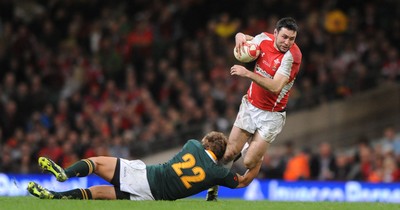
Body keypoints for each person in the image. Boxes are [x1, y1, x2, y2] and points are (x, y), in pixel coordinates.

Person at [207, 17, 302, 200]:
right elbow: (248, 38)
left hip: (272, 115)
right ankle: (213, 191)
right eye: (284, 37)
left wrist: (248, 73)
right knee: (228, 154)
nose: (287, 42)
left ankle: (254, 151)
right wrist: (239, 35)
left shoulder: (292, 57)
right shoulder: (264, 38)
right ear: (275, 33)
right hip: (250, 105)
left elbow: (275, 87)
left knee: (249, 160)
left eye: (292, 38)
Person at [27, 131, 260, 200]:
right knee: (96, 193)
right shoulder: (217, 173)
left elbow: (209, 159)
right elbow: (243, 181)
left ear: (206, 143)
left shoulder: (192, 145)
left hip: (147, 177)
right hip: (151, 197)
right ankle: (53, 197)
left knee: (97, 163)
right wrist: (256, 159)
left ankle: (63, 174)